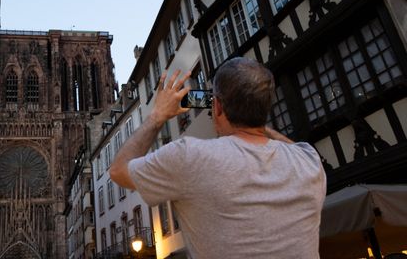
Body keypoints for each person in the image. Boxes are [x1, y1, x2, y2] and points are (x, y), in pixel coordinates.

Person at [110, 58, 326, 258]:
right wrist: (254, 116)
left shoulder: (189, 157)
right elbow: (289, 145)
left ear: (218, 106)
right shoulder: (309, 161)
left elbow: (119, 171)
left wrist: (158, 115)